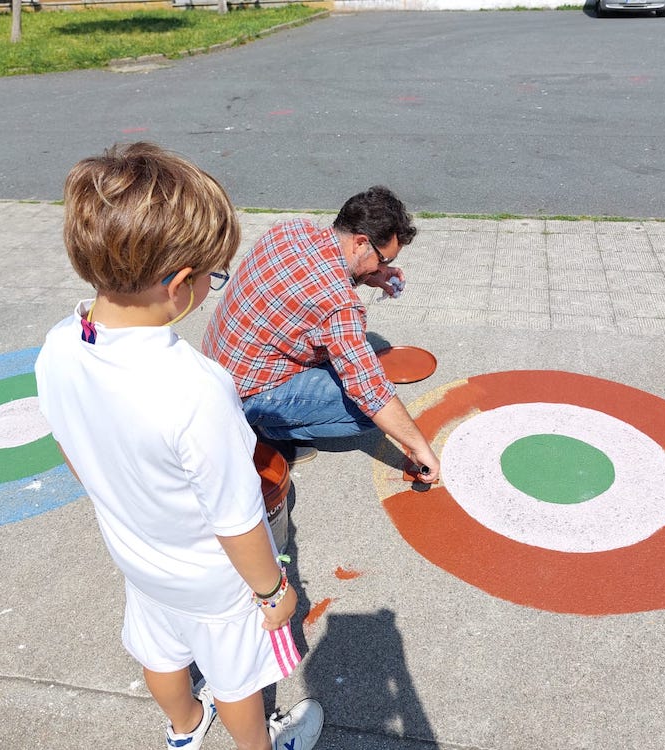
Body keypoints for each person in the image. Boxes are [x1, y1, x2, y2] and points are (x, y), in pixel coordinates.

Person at [34, 142, 323, 750]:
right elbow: (237, 519)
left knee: (159, 649)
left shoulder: (59, 344)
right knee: (236, 675)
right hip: (212, 580)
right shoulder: (197, 389)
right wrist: (274, 591)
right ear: (181, 284)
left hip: (135, 555)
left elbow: (69, 444)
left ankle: (186, 728)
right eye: (214, 277)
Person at [201, 186, 440, 483]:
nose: (384, 267)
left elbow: (314, 287)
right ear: (360, 243)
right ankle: (265, 431)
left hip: (216, 365)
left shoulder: (291, 230)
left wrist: (369, 274)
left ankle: (265, 422)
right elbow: (371, 392)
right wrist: (418, 446)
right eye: (383, 260)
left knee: (343, 359)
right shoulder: (338, 306)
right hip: (243, 396)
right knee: (367, 411)